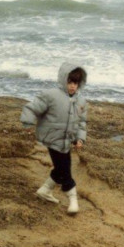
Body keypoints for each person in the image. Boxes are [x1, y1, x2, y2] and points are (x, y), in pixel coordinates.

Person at [21, 62, 88, 214]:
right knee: (65, 170)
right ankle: (73, 199)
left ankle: (45, 190)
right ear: (63, 79)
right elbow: (33, 107)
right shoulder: (51, 95)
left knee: (60, 168)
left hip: (67, 140)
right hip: (52, 138)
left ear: (80, 83)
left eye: (75, 82)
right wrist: (27, 120)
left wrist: (80, 139)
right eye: (70, 82)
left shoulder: (81, 101)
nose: (72, 86)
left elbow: (81, 122)